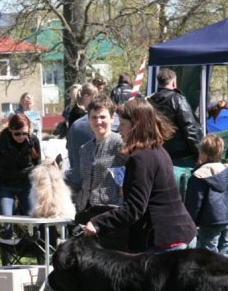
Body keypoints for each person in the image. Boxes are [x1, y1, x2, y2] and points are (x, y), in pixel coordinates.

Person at [83, 98, 196, 253]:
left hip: (164, 240)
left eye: (123, 124)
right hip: (177, 234)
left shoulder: (141, 157)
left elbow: (134, 208)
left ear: (136, 126)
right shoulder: (157, 150)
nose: (120, 130)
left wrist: (97, 223)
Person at [75, 96, 127, 251]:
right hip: (87, 210)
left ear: (112, 118)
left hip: (111, 210)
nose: (98, 121)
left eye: (103, 117)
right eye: (94, 117)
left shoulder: (121, 143)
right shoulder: (84, 149)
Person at [0, 113, 42, 217]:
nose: (21, 137)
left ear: (29, 130)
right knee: (6, 220)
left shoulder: (33, 140)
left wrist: (40, 192)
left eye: (24, 133)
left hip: (27, 185)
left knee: (33, 220)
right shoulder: (2, 142)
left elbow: (38, 166)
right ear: (10, 130)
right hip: (6, 185)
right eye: (17, 134)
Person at [184, 134, 228, 256]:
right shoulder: (226, 172)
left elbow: (195, 202)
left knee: (209, 253)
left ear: (203, 153)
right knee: (225, 249)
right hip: (226, 218)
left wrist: (191, 221)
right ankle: (226, 272)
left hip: (209, 220)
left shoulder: (199, 175)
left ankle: (213, 274)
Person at [148, 68, 203, 167]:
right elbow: (190, 129)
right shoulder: (178, 99)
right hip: (181, 158)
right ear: (174, 82)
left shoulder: (149, 102)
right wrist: (199, 152)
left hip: (157, 153)